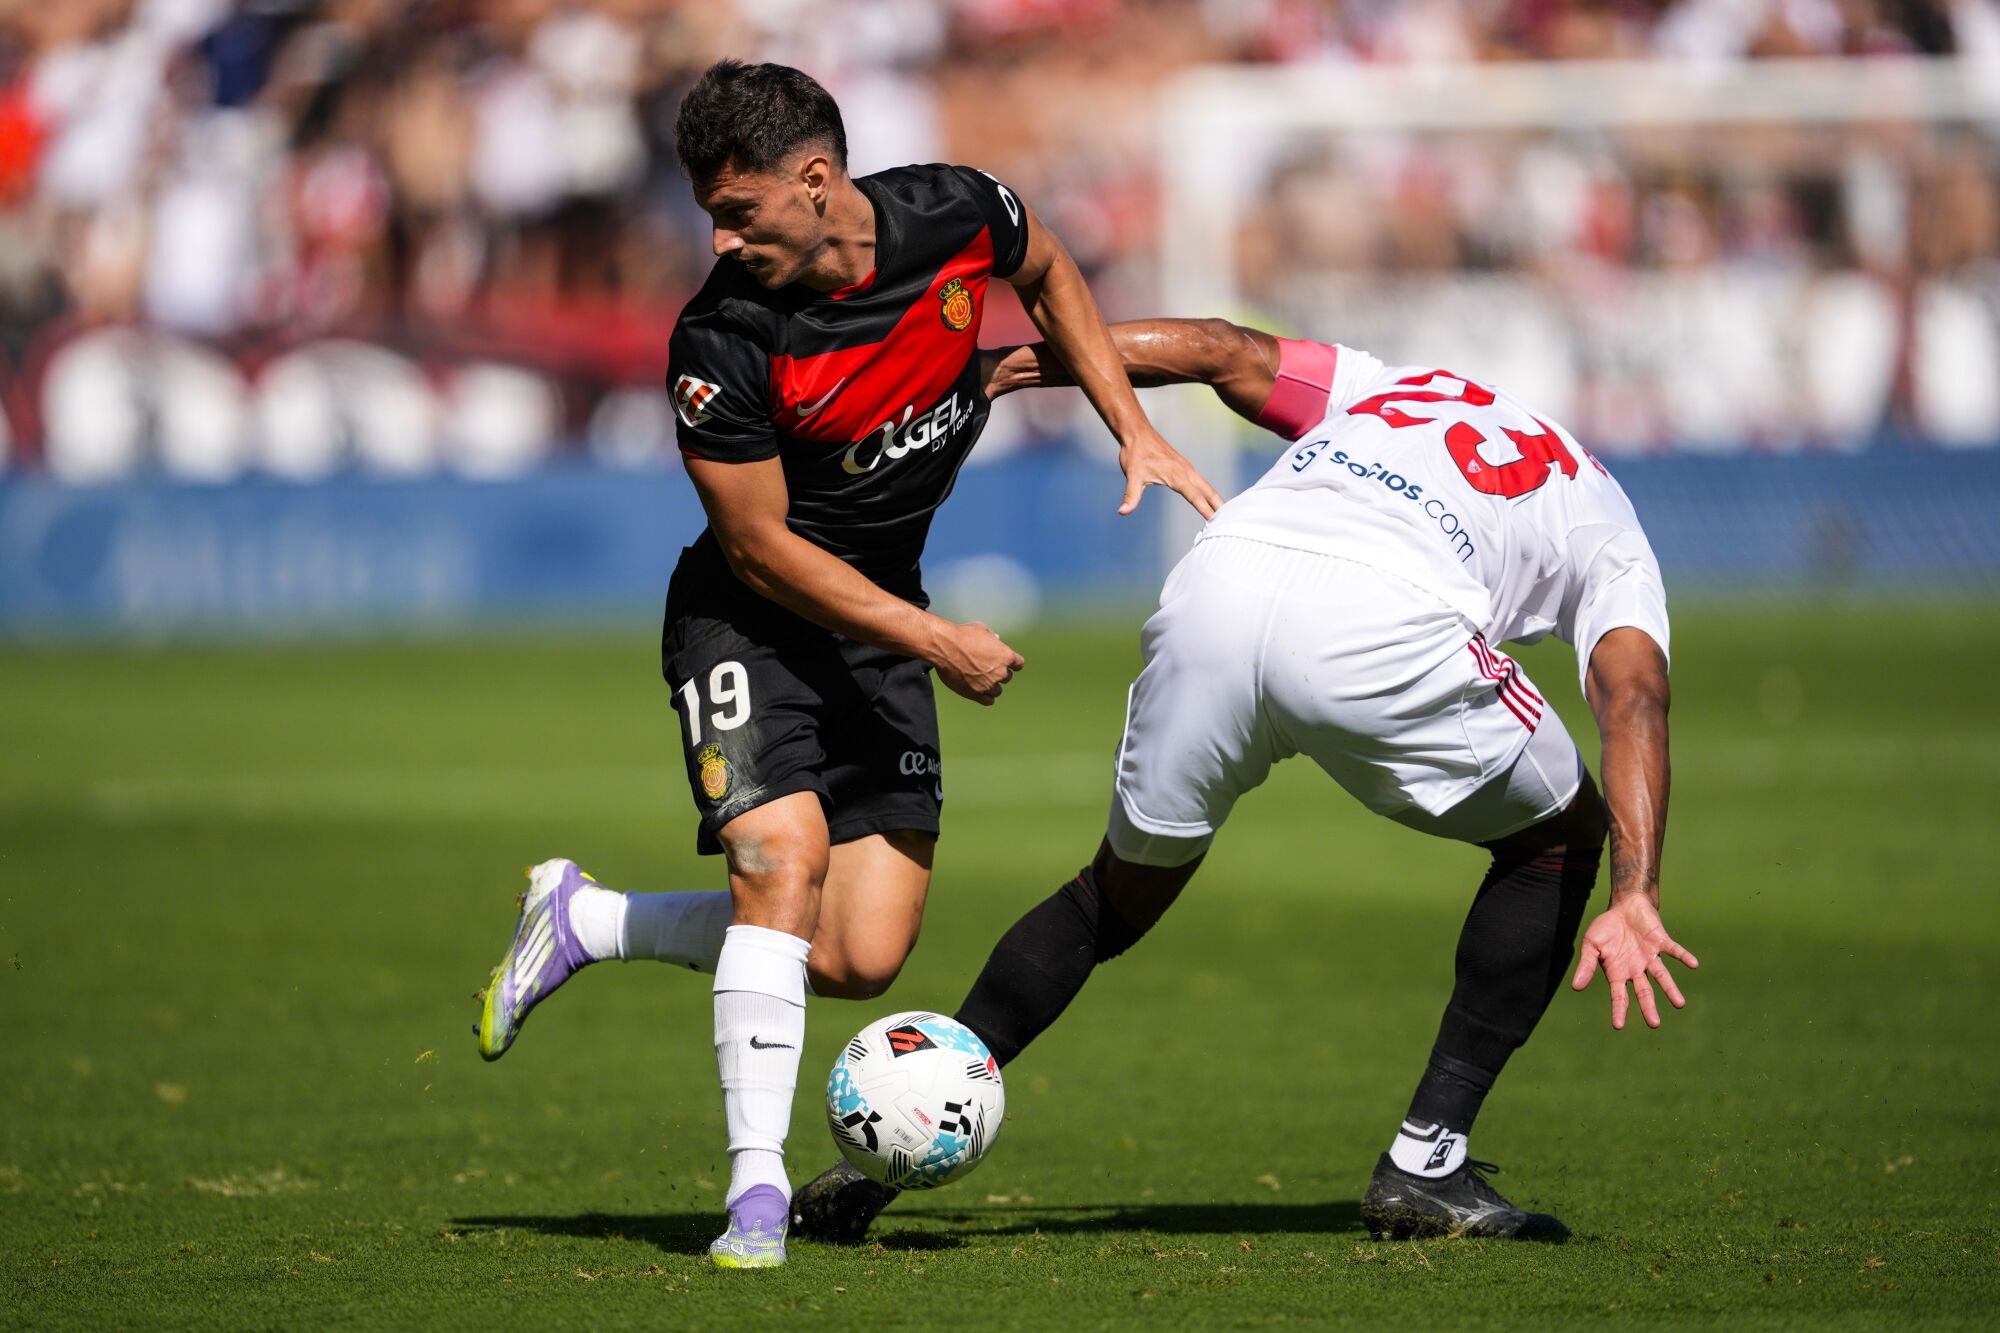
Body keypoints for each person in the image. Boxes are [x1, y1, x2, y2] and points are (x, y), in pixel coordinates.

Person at [468, 62, 1220, 1269]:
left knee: (858, 955)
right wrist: (933, 639)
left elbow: (1051, 274)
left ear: (816, 183)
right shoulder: (720, 338)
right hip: (747, 619)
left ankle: (589, 920)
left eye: (737, 210)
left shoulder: (958, 213)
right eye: (707, 212)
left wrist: (1128, 422)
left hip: (882, 619)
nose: (716, 236)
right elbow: (757, 548)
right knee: (781, 858)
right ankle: (753, 1199)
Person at [792, 318, 1697, 1244]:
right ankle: (1427, 1162)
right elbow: (1633, 697)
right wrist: (1636, 890)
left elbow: (1220, 349)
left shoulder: (1398, 388)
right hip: (1384, 626)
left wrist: (1007, 366)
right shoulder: (1603, 515)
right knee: (1558, 835)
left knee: (1111, 896)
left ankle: (891, 1145)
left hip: (1218, 583)